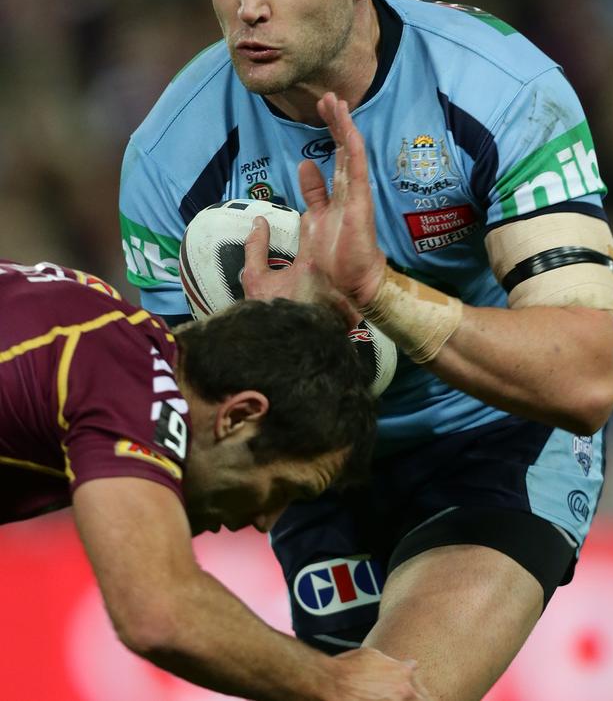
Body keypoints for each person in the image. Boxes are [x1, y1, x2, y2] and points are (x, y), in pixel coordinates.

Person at [118, 0, 613, 698]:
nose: (248, 7)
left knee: (398, 691)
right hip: (315, 468)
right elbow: (201, 432)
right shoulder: (168, 163)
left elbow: (585, 376)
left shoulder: (502, 91)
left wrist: (375, 293)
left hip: (489, 441)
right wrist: (287, 344)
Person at [0, 258, 430, 701]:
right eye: (282, 489)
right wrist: (339, 683)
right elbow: (159, 613)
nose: (265, 521)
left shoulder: (103, 326)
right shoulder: (128, 383)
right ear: (239, 416)